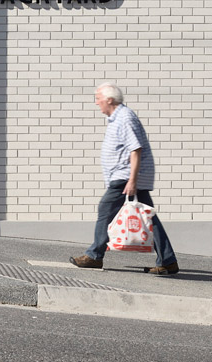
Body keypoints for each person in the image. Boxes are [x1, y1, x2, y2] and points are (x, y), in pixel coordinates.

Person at [70, 83, 179, 275]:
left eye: (98, 99)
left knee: (106, 208)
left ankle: (95, 255)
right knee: (149, 218)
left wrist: (132, 180)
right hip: (127, 176)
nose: (97, 103)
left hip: (125, 176)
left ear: (109, 100)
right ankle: (168, 260)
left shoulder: (125, 118)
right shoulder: (117, 118)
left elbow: (135, 149)